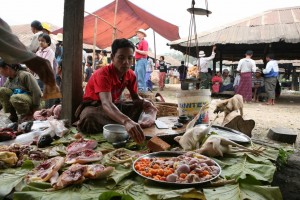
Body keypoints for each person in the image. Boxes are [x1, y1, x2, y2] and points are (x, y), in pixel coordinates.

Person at [75, 38, 157, 144]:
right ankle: (127, 125)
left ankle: (123, 125)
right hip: (96, 108)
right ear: (112, 57)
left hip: (114, 107)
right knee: (89, 117)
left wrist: (146, 104)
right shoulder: (103, 74)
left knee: (146, 105)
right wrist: (126, 121)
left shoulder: (130, 74)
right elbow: (106, 104)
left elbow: (136, 99)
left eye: (130, 58)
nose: (126, 62)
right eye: (121, 58)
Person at [0, 18, 61, 100]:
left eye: (42, 41)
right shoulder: (42, 49)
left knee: (42, 91)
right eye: (40, 41)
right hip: (40, 71)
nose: (40, 42)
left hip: (41, 71)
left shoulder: (46, 47)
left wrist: (30, 59)